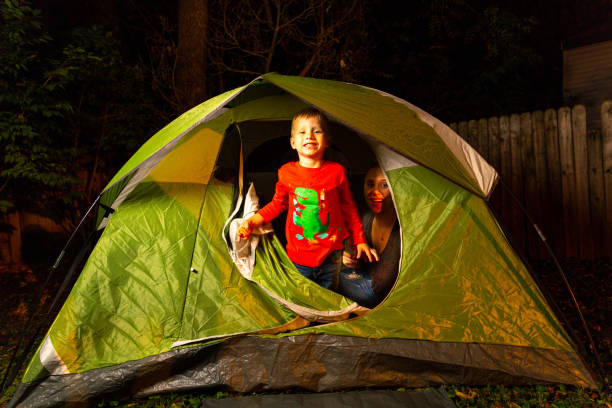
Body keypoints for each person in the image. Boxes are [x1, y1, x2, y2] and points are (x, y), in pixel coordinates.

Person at [237, 108, 377, 290]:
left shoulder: (337, 172)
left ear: (327, 141)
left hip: (331, 254)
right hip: (299, 254)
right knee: (303, 294)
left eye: (316, 131)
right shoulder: (286, 172)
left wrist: (360, 240)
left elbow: (349, 209)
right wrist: (252, 222)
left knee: (328, 295)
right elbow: (277, 204)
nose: (309, 135)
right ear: (293, 142)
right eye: (302, 132)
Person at [339, 166, 400, 308]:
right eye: (370, 185)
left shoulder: (404, 230)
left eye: (384, 185)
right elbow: (349, 263)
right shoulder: (363, 220)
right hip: (361, 296)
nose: (375, 192)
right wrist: (350, 260)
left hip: (389, 304)